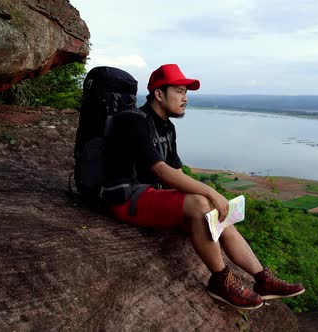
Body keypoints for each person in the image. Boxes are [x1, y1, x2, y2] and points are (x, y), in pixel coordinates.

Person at [101, 64, 305, 310]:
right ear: (158, 94)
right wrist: (209, 191)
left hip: (151, 197)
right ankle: (220, 280)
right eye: (179, 91)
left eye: (186, 92)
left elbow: (174, 171)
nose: (185, 98)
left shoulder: (167, 127)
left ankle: (262, 279)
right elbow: (161, 171)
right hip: (126, 197)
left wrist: (212, 198)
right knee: (201, 203)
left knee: (218, 211)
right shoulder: (136, 121)